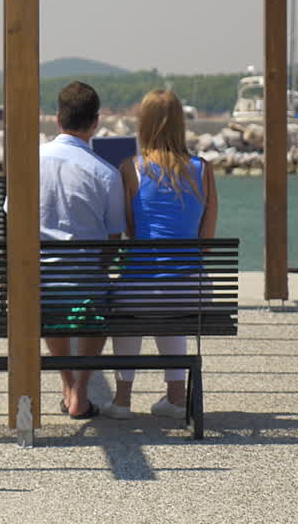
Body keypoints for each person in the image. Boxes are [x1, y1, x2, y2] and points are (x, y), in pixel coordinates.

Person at [113, 89, 218, 420]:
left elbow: (131, 231)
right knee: (170, 297)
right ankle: (175, 397)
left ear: (143, 124)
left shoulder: (131, 168)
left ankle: (121, 400)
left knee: (130, 307)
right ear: (180, 124)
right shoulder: (203, 170)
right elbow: (206, 240)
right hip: (191, 292)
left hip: (143, 290)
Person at [38, 81, 125, 419]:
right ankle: (81, 389)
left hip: (39, 287)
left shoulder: (28, 161)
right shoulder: (106, 173)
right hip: (87, 287)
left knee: (49, 301)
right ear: (95, 123)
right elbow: (114, 240)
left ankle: (67, 383)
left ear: (58, 118)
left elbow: (12, 220)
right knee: (94, 297)